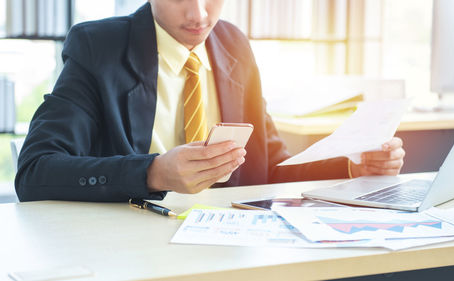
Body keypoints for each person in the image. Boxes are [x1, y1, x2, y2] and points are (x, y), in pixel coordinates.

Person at [15, 0, 405, 202]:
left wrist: (352, 165)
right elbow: (35, 171)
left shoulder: (233, 44)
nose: (199, 14)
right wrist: (152, 173)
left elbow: (268, 170)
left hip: (229, 252)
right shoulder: (98, 47)